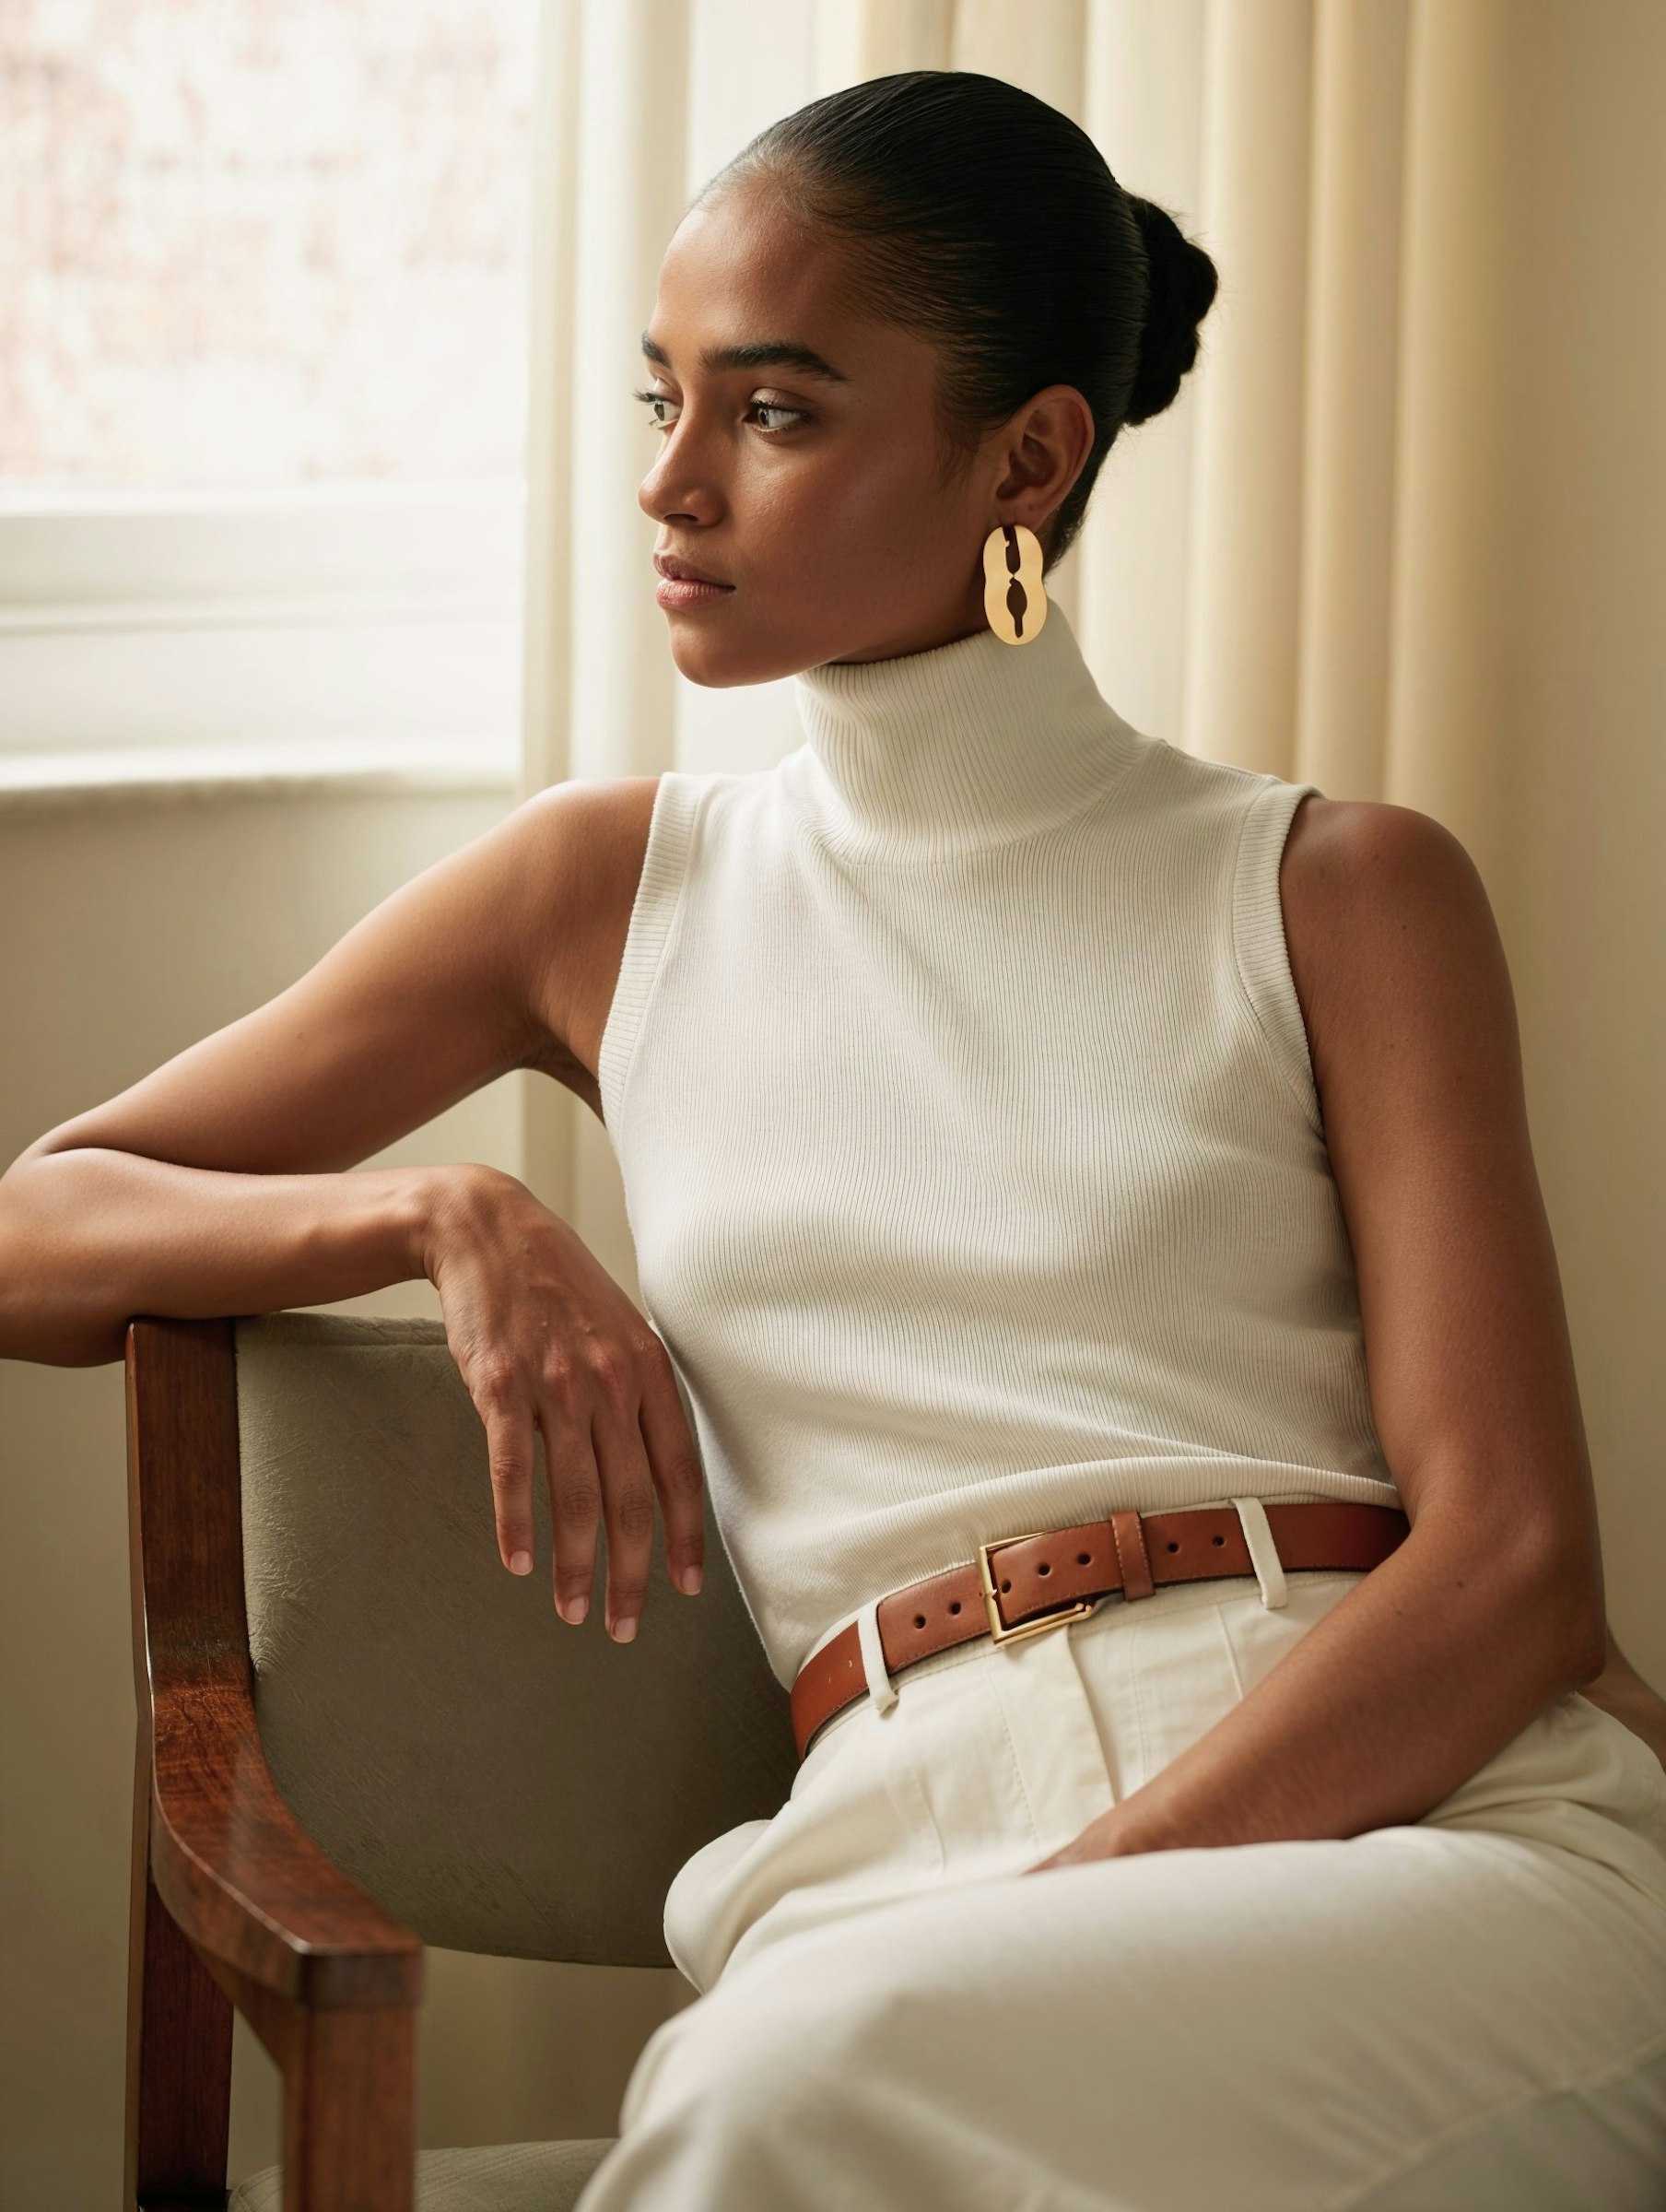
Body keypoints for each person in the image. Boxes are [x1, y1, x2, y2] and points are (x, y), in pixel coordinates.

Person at [2, 67, 1662, 2210]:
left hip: (1415, 1837)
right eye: (660, 400)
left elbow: (1520, 1566)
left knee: (785, 2103)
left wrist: (1086, 1899)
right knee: (812, 2078)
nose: (671, 485)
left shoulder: (1341, 889)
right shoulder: (601, 896)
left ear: (1028, 455)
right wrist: (438, 1209)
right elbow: (39, 1225)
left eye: (774, 413)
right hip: (889, 1856)